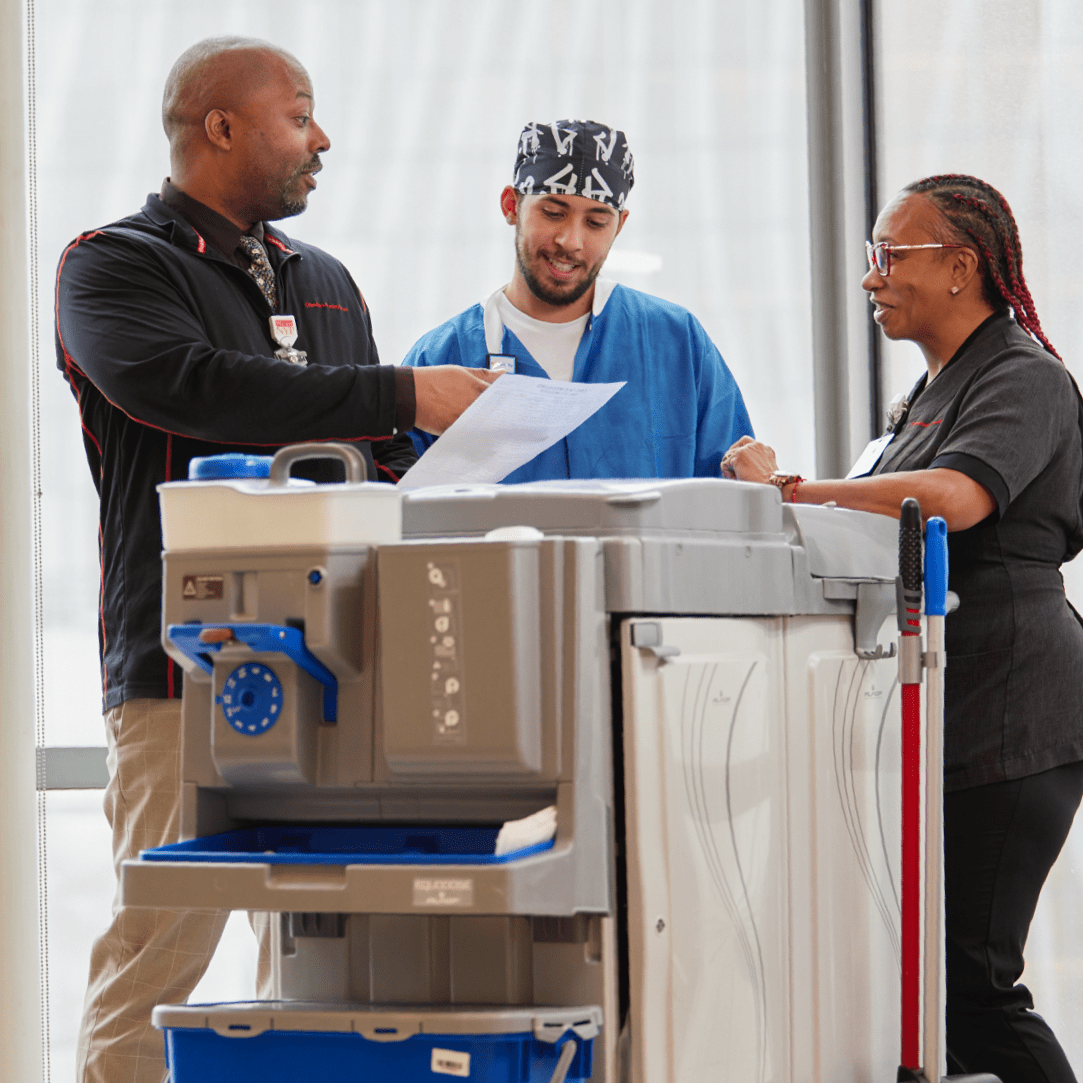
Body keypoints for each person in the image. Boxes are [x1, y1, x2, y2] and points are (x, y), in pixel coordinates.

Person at [55, 37, 498, 1083]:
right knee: (163, 942)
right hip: (182, 671)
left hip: (338, 675)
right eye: (301, 116)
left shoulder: (328, 282)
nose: (323, 139)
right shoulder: (112, 265)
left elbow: (373, 454)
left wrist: (440, 448)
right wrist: (400, 392)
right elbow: (194, 388)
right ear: (221, 127)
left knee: (315, 946)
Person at [724, 174, 1083, 1083]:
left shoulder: (1023, 376)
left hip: (1014, 720)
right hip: (944, 712)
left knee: (973, 986)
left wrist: (793, 491)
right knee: (922, 992)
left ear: (961, 267)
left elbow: (954, 499)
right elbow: (879, 511)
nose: (870, 277)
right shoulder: (929, 393)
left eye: (890, 255)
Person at [404, 120, 753, 480]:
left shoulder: (676, 343)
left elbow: (735, 492)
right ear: (511, 206)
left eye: (597, 222)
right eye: (553, 213)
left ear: (619, 226)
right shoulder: (442, 358)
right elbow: (396, 510)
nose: (570, 241)